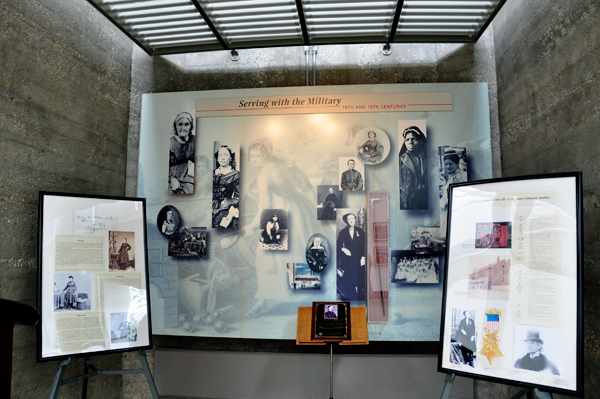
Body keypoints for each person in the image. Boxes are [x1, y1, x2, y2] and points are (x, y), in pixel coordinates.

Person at [243, 138, 315, 318]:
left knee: (271, 258)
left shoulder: (264, 175)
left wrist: (252, 225)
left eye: (257, 156)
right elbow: (306, 186)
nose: (254, 159)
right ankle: (304, 296)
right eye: (251, 156)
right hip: (300, 210)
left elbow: (265, 206)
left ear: (266, 154)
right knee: (296, 253)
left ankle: (266, 301)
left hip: (276, 215)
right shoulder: (289, 165)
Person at [336, 213, 366, 300]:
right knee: (349, 277)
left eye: (353, 218)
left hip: (359, 258)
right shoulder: (343, 232)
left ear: (355, 219)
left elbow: (364, 245)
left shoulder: (360, 231)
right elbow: (338, 246)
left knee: (360, 276)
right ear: (346, 221)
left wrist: (363, 257)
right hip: (348, 259)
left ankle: (360, 294)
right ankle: (351, 295)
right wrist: (343, 249)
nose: (351, 220)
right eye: (349, 219)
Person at [399, 126, 428, 209]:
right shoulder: (401, 160)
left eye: (413, 139)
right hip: (408, 198)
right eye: (407, 140)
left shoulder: (427, 159)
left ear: (420, 141)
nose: (410, 142)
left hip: (424, 197)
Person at [212, 145, 240, 228]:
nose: (223, 158)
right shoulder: (213, 173)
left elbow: (238, 196)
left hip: (224, 207)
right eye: (220, 155)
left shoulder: (235, 175)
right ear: (217, 158)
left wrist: (230, 204)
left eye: (226, 155)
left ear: (230, 158)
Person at [169, 112, 195, 194]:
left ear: (191, 126)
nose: (183, 128)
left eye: (186, 124)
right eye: (180, 124)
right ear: (175, 126)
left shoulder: (194, 140)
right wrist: (172, 178)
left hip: (190, 178)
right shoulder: (171, 143)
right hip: (173, 178)